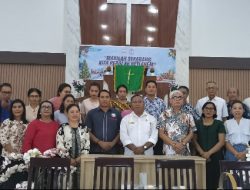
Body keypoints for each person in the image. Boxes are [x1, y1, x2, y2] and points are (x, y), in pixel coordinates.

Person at [193, 101, 225, 189]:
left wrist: (208, 153)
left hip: (215, 157)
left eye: (211, 109)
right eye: (206, 108)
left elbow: (221, 141)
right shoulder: (197, 123)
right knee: (199, 181)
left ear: (215, 112)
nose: (209, 110)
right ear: (202, 110)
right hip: (199, 157)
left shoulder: (219, 124)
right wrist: (202, 153)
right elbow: (194, 140)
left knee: (214, 182)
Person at [56, 104, 90, 189]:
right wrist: (68, 158)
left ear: (79, 114)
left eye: (77, 112)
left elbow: (87, 146)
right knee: (66, 185)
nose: (75, 114)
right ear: (67, 114)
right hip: (66, 163)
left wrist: (80, 158)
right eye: (72, 112)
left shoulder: (84, 128)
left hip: (82, 163)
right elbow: (59, 146)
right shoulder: (62, 128)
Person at [158, 90, 196, 156]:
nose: (177, 99)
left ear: (183, 100)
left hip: (184, 148)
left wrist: (182, 144)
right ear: (170, 100)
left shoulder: (189, 115)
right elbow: (161, 133)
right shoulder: (164, 114)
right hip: (169, 149)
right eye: (175, 97)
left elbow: (191, 132)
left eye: (180, 97)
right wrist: (173, 144)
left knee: (185, 166)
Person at [86, 90, 121, 154]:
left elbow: (121, 131)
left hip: (113, 150)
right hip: (95, 150)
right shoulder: (91, 113)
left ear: (110, 99)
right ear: (98, 98)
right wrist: (99, 142)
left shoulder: (117, 113)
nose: (104, 99)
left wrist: (113, 143)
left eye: (107, 97)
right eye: (102, 97)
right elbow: (87, 131)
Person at [144, 80, 167, 155]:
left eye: (153, 87)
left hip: (158, 133)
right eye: (149, 87)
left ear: (156, 89)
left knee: (158, 154)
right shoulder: (141, 101)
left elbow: (165, 117)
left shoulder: (161, 102)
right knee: (145, 153)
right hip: (144, 132)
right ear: (145, 89)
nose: (151, 89)